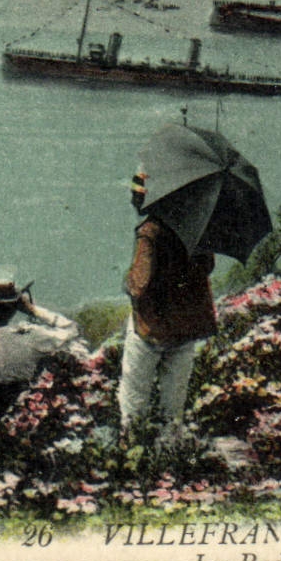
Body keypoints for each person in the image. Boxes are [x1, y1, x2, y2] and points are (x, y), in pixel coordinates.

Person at [119, 170, 218, 435]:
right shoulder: (195, 227)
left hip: (152, 326)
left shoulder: (149, 231)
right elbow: (207, 266)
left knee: (135, 395)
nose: (134, 200)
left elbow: (139, 284)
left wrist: (127, 281)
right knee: (174, 401)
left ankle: (130, 446)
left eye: (137, 194)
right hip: (186, 325)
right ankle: (169, 448)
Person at [0, 266, 86, 406]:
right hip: (24, 408)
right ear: (14, 308)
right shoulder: (33, 338)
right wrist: (33, 310)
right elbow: (73, 329)